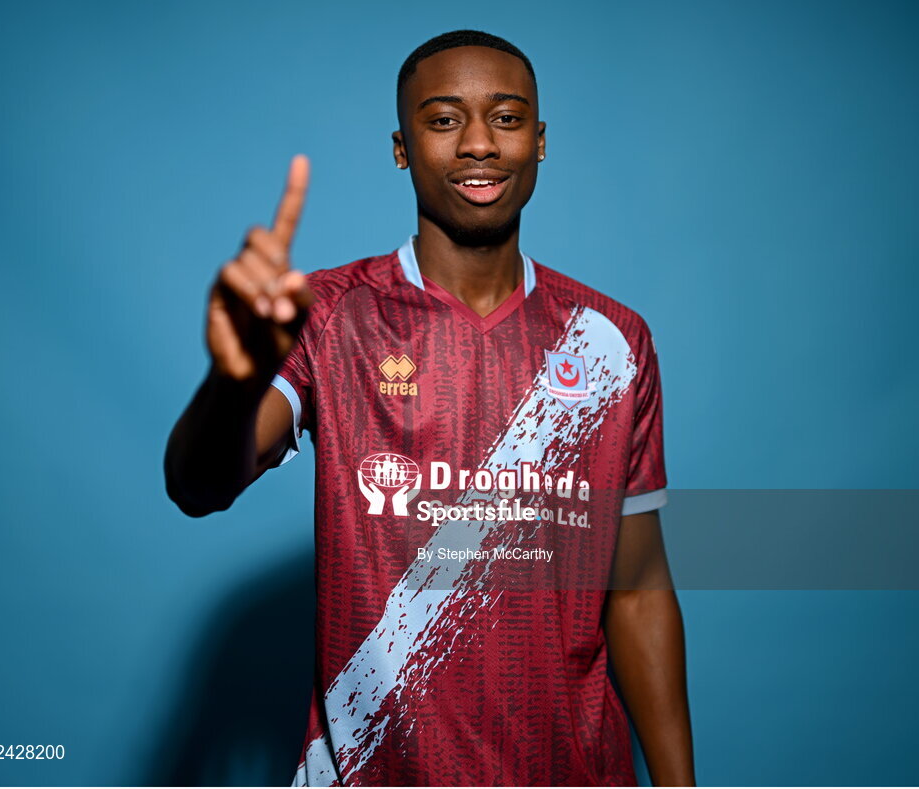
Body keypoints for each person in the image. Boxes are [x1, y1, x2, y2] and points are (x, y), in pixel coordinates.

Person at [165, 29, 695, 787]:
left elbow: (639, 587)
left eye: (506, 118)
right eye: (444, 120)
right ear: (402, 147)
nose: (479, 143)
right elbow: (198, 485)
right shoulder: (325, 313)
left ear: (539, 142)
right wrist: (232, 378)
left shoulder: (612, 339)